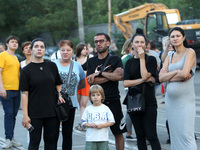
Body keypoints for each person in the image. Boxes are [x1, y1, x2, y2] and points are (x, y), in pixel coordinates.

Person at [20, 38, 63, 150]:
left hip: (52, 112)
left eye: (42, 47)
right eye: (36, 46)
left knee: (51, 143)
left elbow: (58, 84)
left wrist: (59, 94)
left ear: (45, 50)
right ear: (31, 50)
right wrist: (25, 115)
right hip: (34, 113)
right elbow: (24, 93)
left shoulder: (52, 66)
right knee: (34, 143)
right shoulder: (26, 70)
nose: (39, 49)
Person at [159, 27, 197, 150]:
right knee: (175, 134)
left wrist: (168, 77)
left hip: (185, 101)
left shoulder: (189, 52)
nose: (175, 38)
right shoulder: (169, 55)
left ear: (183, 37)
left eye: (177, 36)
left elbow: (185, 73)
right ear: (169, 40)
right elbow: (160, 78)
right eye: (172, 36)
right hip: (171, 102)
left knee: (186, 134)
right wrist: (176, 72)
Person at [87, 33, 126, 150]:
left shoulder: (116, 59)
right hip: (97, 104)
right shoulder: (91, 62)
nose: (98, 43)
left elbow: (119, 76)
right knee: (97, 135)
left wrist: (100, 73)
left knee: (118, 133)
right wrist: (110, 75)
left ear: (108, 43)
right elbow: (91, 81)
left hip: (114, 101)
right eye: (96, 42)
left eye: (101, 41)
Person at [123, 28, 161, 150]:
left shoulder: (151, 59)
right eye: (137, 42)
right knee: (140, 135)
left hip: (149, 101)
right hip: (134, 101)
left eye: (142, 42)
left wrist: (142, 58)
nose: (139, 44)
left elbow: (146, 75)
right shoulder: (129, 63)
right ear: (132, 45)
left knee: (151, 135)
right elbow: (126, 83)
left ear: (145, 45)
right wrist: (142, 80)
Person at [54, 39, 86, 150]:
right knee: (52, 134)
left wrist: (72, 91)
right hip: (54, 104)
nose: (65, 52)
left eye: (68, 50)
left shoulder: (77, 66)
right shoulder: (53, 65)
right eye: (63, 50)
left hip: (70, 104)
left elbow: (82, 82)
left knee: (67, 134)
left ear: (72, 52)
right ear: (59, 51)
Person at [0, 36, 22, 149]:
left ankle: (12, 137)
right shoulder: (3, 55)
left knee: (13, 115)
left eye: (16, 42)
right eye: (12, 42)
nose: (15, 44)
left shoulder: (15, 57)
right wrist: (1, 88)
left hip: (16, 90)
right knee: (8, 114)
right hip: (6, 89)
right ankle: (8, 139)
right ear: (7, 44)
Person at [81, 84, 115, 150]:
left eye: (98, 95)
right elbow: (83, 122)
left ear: (102, 96)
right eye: (93, 95)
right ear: (90, 97)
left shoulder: (105, 108)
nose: (95, 97)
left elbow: (112, 121)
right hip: (90, 138)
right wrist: (90, 125)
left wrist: (103, 125)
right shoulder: (88, 109)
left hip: (103, 138)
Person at [121, 39, 136, 141]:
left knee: (131, 109)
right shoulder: (125, 58)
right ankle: (128, 132)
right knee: (131, 109)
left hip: (132, 85)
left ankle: (129, 132)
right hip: (129, 86)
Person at [74, 43, 92, 131]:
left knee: (83, 103)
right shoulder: (74, 59)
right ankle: (82, 121)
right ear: (79, 50)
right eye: (84, 49)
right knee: (78, 103)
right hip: (77, 83)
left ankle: (83, 122)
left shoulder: (89, 59)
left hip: (85, 82)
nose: (85, 50)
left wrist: (83, 73)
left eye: (86, 49)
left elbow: (90, 71)